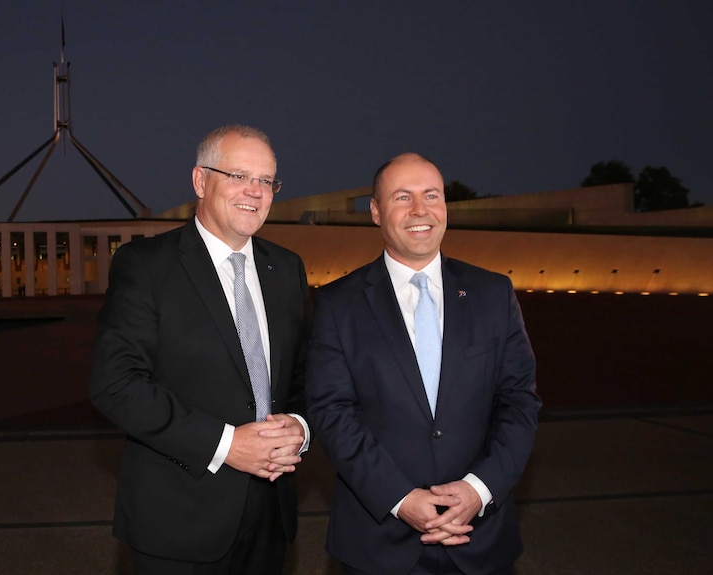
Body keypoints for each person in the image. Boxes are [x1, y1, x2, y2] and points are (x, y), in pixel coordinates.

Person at [89, 125, 311, 575]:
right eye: (238, 175)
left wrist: (300, 427)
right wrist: (227, 444)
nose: (255, 192)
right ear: (200, 181)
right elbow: (116, 384)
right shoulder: (145, 265)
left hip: (270, 517)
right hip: (178, 521)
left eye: (267, 181)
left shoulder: (286, 269)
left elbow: (303, 376)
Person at [306, 153, 540, 575]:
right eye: (402, 197)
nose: (420, 210)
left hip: (480, 538)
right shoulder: (337, 304)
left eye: (431, 195)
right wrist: (399, 497)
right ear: (376, 212)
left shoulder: (493, 294)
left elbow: (519, 403)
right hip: (377, 544)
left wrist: (478, 490)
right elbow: (332, 412)